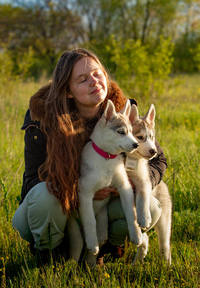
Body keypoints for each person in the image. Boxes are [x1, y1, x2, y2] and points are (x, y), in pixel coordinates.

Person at [12, 48, 167, 265]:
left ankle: (105, 249)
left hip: (102, 207)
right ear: (68, 91)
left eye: (97, 74)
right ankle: (49, 255)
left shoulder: (122, 112)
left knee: (147, 205)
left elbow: (159, 160)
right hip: (56, 206)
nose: (94, 81)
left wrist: (138, 184)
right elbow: (31, 182)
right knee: (43, 196)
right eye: (83, 79)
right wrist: (81, 190)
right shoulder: (43, 117)